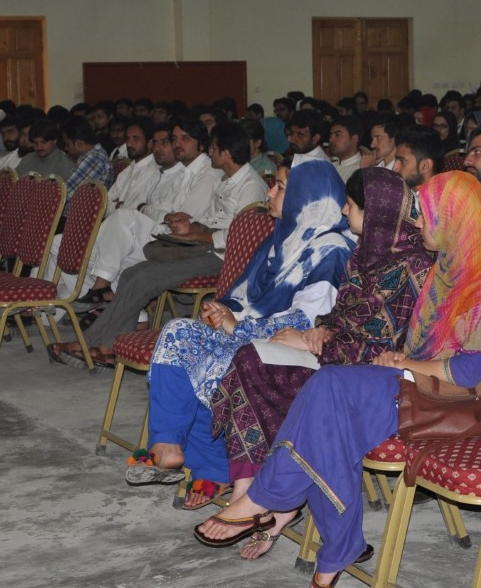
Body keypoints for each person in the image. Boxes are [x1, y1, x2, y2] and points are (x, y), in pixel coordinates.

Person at [193, 171, 481, 587]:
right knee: (328, 395)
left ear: (454, 221)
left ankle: (267, 499)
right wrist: (401, 361)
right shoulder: (450, 269)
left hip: (465, 402)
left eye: (427, 215)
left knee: (332, 387)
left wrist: (403, 363)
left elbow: (471, 374)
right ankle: (334, 544)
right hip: (421, 381)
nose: (418, 222)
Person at [208, 169, 434, 554]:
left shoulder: (412, 266)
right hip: (336, 359)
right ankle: (248, 491)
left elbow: (381, 347)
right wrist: (321, 329)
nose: (344, 212)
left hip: (373, 381)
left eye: (351, 206)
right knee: (250, 358)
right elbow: (343, 314)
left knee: (269, 373)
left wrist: (314, 345)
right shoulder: (367, 250)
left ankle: (275, 501)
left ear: (375, 213)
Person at [128, 159, 353, 507]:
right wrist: (223, 312)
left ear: (306, 196)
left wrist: (238, 326)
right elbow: (242, 296)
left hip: (293, 351)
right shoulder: (283, 239)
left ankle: (215, 468)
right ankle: (168, 443)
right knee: (177, 332)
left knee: (212, 359)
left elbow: (308, 322)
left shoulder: (332, 250)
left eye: (280, 187)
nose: (269, 192)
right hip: (253, 335)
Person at [54, 123, 268, 362]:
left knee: (145, 278)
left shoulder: (251, 186)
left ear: (226, 153)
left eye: (214, 148)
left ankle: (93, 343)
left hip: (223, 260)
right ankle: (110, 344)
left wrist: (197, 235)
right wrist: (190, 226)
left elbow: (239, 238)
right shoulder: (227, 180)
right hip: (202, 248)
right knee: (132, 273)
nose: (210, 152)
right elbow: (213, 219)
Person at [326, 116, 362, 183]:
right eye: (330, 136)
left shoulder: (361, 169)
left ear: (354, 138)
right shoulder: (329, 166)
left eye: (337, 135)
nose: (331, 139)